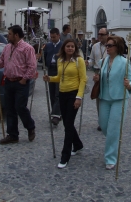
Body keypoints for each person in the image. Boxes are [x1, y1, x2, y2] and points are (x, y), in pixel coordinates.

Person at [43, 39, 87, 169]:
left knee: (68, 125)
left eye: (72, 46)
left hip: (74, 94)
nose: (70, 48)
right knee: (67, 122)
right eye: (68, 46)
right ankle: (78, 144)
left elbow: (83, 79)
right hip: (62, 94)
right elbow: (59, 77)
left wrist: (79, 97)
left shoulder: (79, 61)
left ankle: (65, 155)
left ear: (75, 48)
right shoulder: (60, 60)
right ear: (64, 48)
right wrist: (50, 78)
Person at [93, 36, 131, 170]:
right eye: (107, 45)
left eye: (110, 45)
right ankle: (112, 140)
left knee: (113, 129)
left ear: (118, 47)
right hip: (104, 97)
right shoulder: (103, 61)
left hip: (119, 99)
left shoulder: (124, 62)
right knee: (103, 125)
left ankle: (110, 157)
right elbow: (101, 75)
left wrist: (128, 85)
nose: (107, 47)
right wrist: (97, 78)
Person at [0, 25, 37, 144]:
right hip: (9, 81)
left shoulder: (27, 48)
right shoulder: (7, 47)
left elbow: (32, 66)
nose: (8, 36)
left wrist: (24, 79)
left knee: (20, 107)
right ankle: (12, 134)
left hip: (20, 82)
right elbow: (2, 61)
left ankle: (30, 127)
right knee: (10, 108)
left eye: (10, 34)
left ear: (16, 35)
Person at [86, 28, 108, 131]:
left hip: (108, 73)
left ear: (107, 35)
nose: (100, 36)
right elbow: (92, 59)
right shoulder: (95, 46)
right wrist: (88, 63)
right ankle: (101, 121)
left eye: (102, 34)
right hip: (97, 73)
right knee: (98, 97)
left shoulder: (111, 46)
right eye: (99, 34)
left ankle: (108, 120)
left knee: (107, 97)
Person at [43, 28, 62, 125]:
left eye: (54, 37)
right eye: (51, 37)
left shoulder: (62, 45)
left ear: (59, 35)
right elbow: (44, 55)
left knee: (58, 92)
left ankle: (56, 115)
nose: (52, 39)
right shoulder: (48, 45)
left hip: (60, 69)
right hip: (51, 69)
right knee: (51, 92)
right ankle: (55, 112)